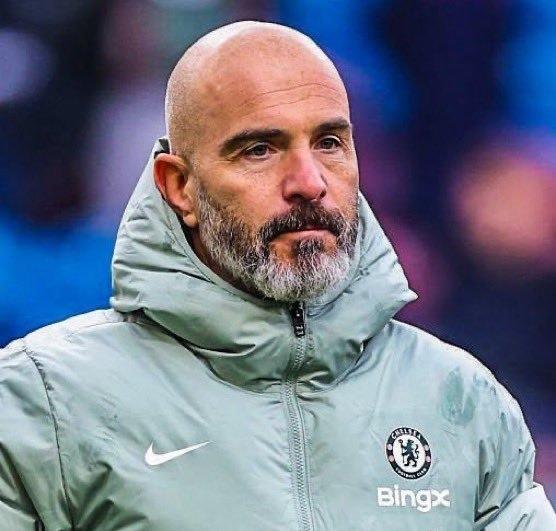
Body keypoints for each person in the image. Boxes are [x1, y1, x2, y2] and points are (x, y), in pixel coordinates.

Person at [0, 21, 554, 531]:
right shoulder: (43, 401)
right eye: (260, 149)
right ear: (178, 186)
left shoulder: (464, 400)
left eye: (330, 143)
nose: (309, 182)